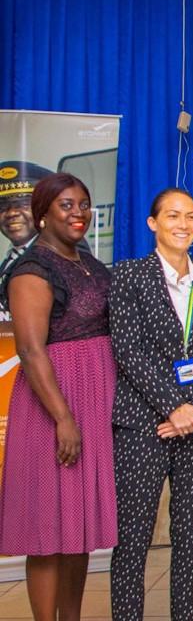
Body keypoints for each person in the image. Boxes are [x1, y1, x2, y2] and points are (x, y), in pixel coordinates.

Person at [108, 188, 193, 620]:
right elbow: (128, 351)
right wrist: (172, 408)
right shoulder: (128, 275)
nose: (183, 224)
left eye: (190, 216)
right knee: (133, 539)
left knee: (191, 539)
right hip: (142, 426)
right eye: (173, 215)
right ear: (153, 223)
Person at [0, 173, 116, 620]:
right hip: (53, 405)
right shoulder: (32, 270)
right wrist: (63, 418)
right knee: (48, 530)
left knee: (77, 527)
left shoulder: (89, 263)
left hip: (93, 401)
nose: (78, 213)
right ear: (42, 213)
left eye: (84, 204)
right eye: (66, 205)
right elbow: (31, 350)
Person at [0, 160, 54, 316]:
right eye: (2, 205)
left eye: (22, 203)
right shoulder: (13, 256)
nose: (11, 212)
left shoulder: (56, 253)